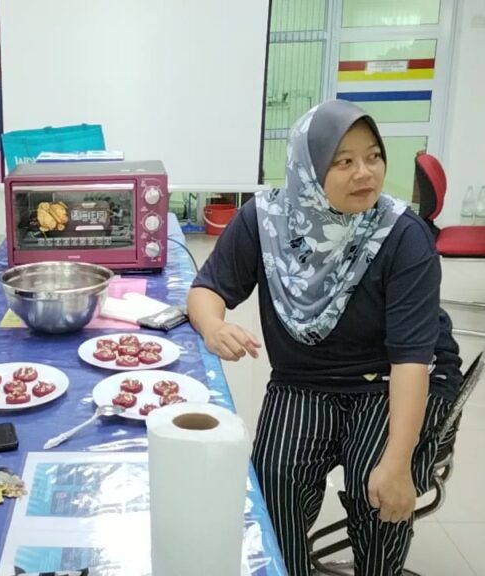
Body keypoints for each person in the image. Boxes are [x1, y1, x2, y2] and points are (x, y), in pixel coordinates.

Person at [188, 100, 463, 576]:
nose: (365, 173)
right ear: (308, 168)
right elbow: (207, 289)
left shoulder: (402, 234)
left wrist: (399, 462)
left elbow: (411, 358)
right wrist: (214, 327)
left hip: (394, 377)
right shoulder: (265, 221)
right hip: (304, 378)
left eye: (373, 156)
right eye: (344, 161)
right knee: (273, 485)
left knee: (378, 491)